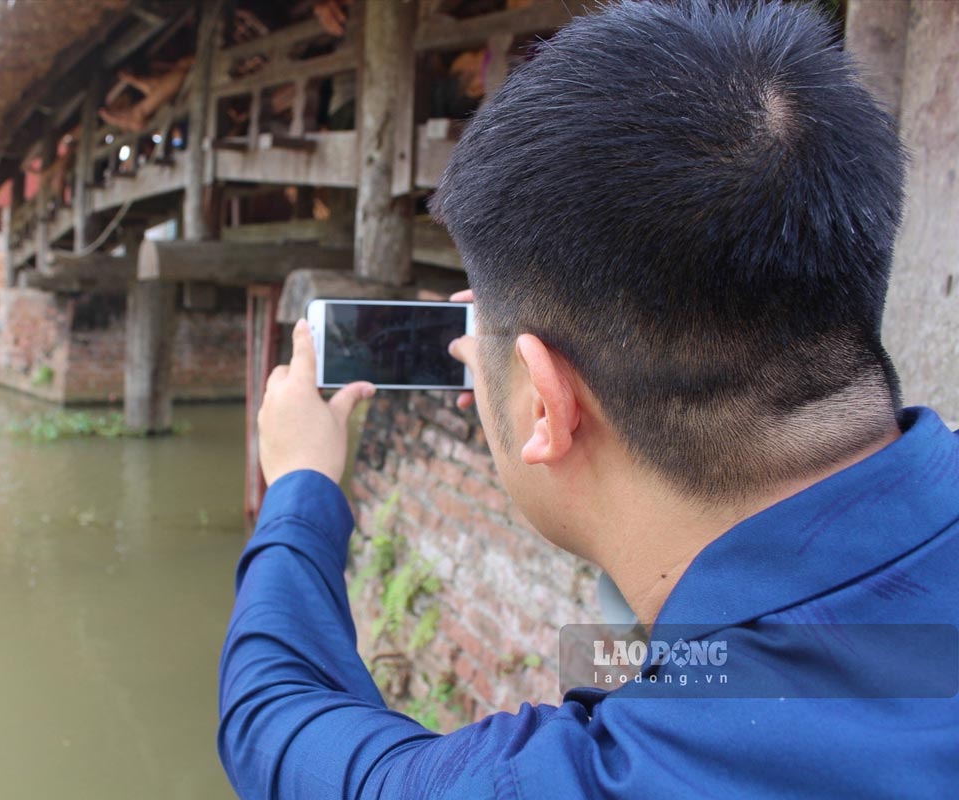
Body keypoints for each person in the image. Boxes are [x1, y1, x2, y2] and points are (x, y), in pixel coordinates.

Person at [217, 0, 959, 797]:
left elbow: (273, 718)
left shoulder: (606, 778)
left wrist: (299, 485)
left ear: (548, 408)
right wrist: (522, 358)